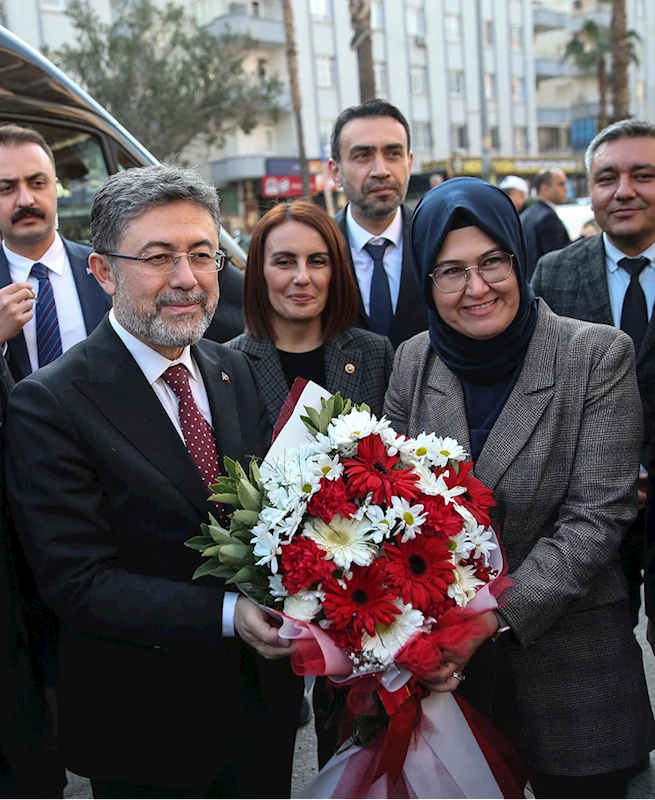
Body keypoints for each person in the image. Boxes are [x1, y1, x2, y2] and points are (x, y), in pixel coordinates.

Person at [5, 165, 302, 800]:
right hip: (147, 731)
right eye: (158, 257)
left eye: (203, 254)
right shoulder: (49, 403)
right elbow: (76, 581)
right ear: (104, 272)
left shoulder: (234, 369)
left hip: (261, 716)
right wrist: (230, 613)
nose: (186, 280)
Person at [384, 176, 655, 799]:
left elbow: (597, 517)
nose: (476, 288)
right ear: (426, 281)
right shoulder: (414, 358)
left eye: (492, 263)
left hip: (573, 677)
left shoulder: (594, 355)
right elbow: (390, 506)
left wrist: (481, 621)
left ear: (518, 257)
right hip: (448, 688)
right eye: (450, 272)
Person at [532, 119, 655, 631]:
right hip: (585, 512)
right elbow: (538, 389)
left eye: (642, 175)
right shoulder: (552, 273)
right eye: (606, 178)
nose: (623, 191)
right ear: (590, 191)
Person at [226, 200, 394, 425]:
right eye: (284, 262)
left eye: (317, 262)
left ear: (335, 271)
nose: (303, 277)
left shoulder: (375, 354)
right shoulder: (227, 364)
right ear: (259, 272)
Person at [0, 123, 111, 381]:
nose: (26, 200)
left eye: (37, 183)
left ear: (55, 187)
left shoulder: (108, 268)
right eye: (6, 188)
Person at [328, 99, 428, 348]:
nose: (381, 170)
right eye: (363, 156)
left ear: (410, 162)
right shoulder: (314, 251)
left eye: (393, 154)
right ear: (335, 172)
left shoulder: (438, 240)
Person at [519, 167, 570, 279]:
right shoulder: (548, 217)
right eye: (561, 184)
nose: (566, 189)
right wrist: (583, 238)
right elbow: (558, 258)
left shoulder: (526, 215)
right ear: (545, 188)